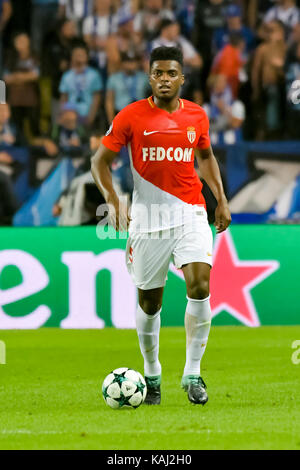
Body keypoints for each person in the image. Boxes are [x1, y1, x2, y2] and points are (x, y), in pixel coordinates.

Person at [91, 46, 231, 405]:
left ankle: (193, 374)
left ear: (182, 78)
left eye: (171, 73)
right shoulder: (131, 116)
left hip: (191, 213)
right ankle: (151, 374)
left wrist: (221, 199)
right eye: (158, 73)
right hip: (148, 221)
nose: (165, 79)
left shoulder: (197, 116)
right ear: (149, 77)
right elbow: (99, 161)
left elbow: (206, 157)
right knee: (150, 303)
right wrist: (111, 198)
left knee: (199, 284)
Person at [59, 44, 103, 128]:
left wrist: (91, 117)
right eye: (76, 54)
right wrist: (62, 114)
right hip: (70, 115)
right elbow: (64, 97)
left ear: (87, 57)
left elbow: (96, 97)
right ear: (72, 57)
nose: (78, 57)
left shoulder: (94, 75)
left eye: (81, 54)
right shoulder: (67, 76)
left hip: (87, 113)